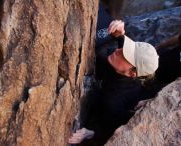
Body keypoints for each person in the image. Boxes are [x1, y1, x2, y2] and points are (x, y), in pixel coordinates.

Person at [68, 3, 159, 145]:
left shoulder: (115, 102)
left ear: (132, 73)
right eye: (126, 48)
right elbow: (124, 42)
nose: (118, 51)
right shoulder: (126, 68)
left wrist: (91, 133)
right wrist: (120, 33)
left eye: (125, 55)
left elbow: (113, 126)